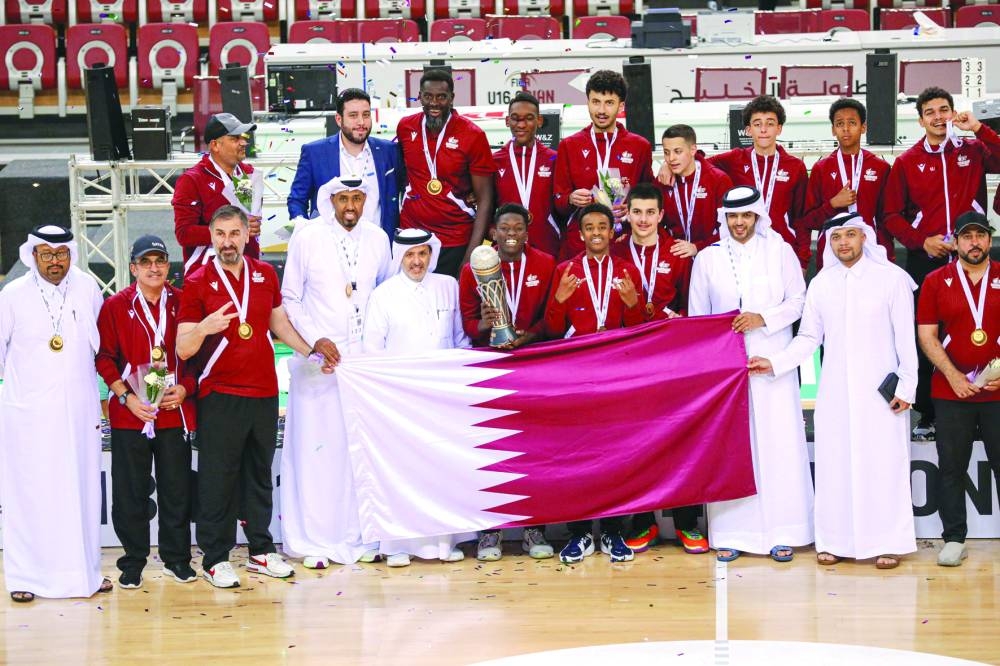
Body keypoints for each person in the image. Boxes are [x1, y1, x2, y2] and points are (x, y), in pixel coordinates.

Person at [176, 205, 339, 588]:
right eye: (220, 235)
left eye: (234, 233)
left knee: (259, 476)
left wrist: (311, 353)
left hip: (264, 391)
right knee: (217, 479)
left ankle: (261, 551)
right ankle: (216, 558)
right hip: (220, 394)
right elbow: (183, 348)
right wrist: (204, 327)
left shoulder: (264, 274)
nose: (227, 242)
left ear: (246, 236)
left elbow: (278, 322)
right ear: (211, 237)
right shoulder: (197, 281)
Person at [749, 212, 918, 569]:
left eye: (850, 235)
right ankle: (836, 541)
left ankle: (888, 542)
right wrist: (776, 362)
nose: (843, 243)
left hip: (882, 395)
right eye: (837, 236)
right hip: (835, 393)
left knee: (884, 466)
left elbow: (906, 339)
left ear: (864, 237)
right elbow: (809, 337)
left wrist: (908, 387)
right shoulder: (822, 283)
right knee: (835, 466)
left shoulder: (892, 279)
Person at [688, 186, 814, 562]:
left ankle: (785, 532)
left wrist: (763, 318)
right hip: (727, 370)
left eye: (746, 215)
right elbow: (698, 318)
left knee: (779, 445)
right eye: (733, 216)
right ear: (724, 218)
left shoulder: (780, 250)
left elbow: (799, 301)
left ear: (758, 216)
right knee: (733, 448)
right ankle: (732, 533)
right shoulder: (707, 258)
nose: (739, 223)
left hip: (774, 361)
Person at [280, 176, 393, 569]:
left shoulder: (378, 238)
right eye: (343, 198)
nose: (350, 206)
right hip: (318, 366)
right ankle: (314, 540)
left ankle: (360, 535)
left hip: (362, 367)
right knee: (318, 454)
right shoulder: (308, 237)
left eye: (357, 198)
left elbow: (384, 296)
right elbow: (290, 297)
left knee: (357, 454)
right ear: (330, 200)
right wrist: (315, 341)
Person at [882, 87, 1000, 442]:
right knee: (926, 338)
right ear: (920, 120)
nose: (938, 117)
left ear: (953, 113)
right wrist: (922, 241)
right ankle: (928, 415)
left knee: (980, 330)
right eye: (930, 112)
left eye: (944, 109)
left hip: (974, 255)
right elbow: (890, 215)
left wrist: (977, 128)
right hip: (927, 260)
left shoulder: (973, 150)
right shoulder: (907, 161)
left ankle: (982, 405)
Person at [0, 225, 110, 602]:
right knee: (30, 494)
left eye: (61, 254)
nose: (54, 262)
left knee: (81, 491)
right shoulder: (12, 295)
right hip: (28, 417)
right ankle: (25, 577)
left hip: (79, 412)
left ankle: (86, 573)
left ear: (70, 254)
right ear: (33, 255)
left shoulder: (87, 287)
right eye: (46, 254)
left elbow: (102, 347)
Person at [363, 228, 473, 566]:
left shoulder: (448, 286)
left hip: (442, 398)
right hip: (400, 401)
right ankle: (397, 545)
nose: (416, 261)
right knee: (401, 472)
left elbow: (460, 339)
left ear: (431, 255)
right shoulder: (383, 295)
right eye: (410, 255)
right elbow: (372, 351)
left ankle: (443, 544)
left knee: (440, 470)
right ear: (399, 257)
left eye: (422, 254)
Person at [608, 183, 707, 556]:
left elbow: (692, 305)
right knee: (637, 441)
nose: (643, 219)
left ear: (661, 215)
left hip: (671, 357)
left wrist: (673, 318)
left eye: (651, 212)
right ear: (627, 213)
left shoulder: (678, 253)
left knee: (679, 437)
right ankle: (642, 521)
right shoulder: (616, 252)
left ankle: (686, 522)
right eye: (637, 212)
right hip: (631, 360)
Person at [544, 203, 645, 563]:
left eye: (603, 226)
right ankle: (581, 532)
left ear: (612, 231)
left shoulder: (627, 270)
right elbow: (552, 330)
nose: (597, 233)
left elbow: (638, 330)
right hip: (577, 374)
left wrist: (633, 304)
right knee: (578, 454)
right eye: (590, 227)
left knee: (617, 454)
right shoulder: (565, 270)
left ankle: (614, 531)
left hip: (617, 374)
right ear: (581, 233)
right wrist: (559, 301)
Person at [96, 235, 198, 589]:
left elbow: (197, 357)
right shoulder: (115, 306)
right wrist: (126, 397)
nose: (154, 268)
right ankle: (133, 561)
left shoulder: (184, 303)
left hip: (172, 411)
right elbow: (104, 358)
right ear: (133, 268)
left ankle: (177, 559)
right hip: (132, 415)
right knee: (129, 493)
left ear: (168, 266)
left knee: (176, 491)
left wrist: (185, 388)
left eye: (160, 261)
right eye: (146, 262)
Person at [458, 202, 556, 561]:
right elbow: (468, 325)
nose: (511, 235)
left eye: (517, 229)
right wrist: (485, 325)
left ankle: (534, 529)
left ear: (527, 231)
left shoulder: (545, 264)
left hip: (533, 366)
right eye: (505, 229)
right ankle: (490, 532)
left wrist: (529, 335)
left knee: (533, 452)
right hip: (490, 368)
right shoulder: (472, 269)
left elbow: (551, 319)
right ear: (493, 232)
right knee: (491, 452)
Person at [915, 211, 1000, 567]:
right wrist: (952, 375)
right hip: (951, 391)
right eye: (967, 236)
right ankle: (954, 538)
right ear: (956, 242)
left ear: (989, 239)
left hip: (997, 390)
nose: (974, 243)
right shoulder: (936, 280)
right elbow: (926, 334)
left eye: (980, 236)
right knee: (951, 466)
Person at [397, 69, 496, 277]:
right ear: (420, 97)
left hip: (455, 239)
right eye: (428, 96)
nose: (434, 103)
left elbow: (485, 199)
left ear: (452, 98)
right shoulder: (406, 127)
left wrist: (470, 255)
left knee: (450, 297)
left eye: (441, 97)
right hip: (413, 235)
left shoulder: (473, 135)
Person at [552, 70, 653, 261]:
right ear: (588, 102)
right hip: (580, 245)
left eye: (609, 103)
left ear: (621, 105)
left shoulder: (639, 146)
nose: (601, 110)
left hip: (623, 242)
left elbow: (649, 196)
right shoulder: (569, 145)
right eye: (596, 102)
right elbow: (559, 202)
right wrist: (570, 199)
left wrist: (632, 207)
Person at [705, 96, 810, 269]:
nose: (763, 129)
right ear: (748, 130)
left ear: (779, 128)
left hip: (782, 249)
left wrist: (803, 260)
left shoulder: (795, 166)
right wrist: (667, 167)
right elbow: (699, 164)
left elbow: (801, 219)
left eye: (770, 123)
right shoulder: (735, 159)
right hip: (744, 249)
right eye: (757, 124)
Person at [287, 88, 402, 238]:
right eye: (353, 115)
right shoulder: (314, 153)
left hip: (378, 245)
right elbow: (297, 200)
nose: (361, 122)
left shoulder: (389, 151)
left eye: (366, 115)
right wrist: (304, 232)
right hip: (329, 245)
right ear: (338, 119)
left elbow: (405, 194)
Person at [799, 98, 893, 269]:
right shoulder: (821, 168)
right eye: (840, 124)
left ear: (863, 127)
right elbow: (808, 221)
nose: (846, 129)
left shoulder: (880, 168)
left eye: (852, 123)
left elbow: (886, 219)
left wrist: (889, 257)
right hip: (832, 255)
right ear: (833, 129)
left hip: (871, 254)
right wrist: (833, 204)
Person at [172, 113, 263, 278]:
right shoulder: (192, 180)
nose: (243, 142)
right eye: (235, 139)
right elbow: (184, 234)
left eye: (243, 137)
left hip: (246, 271)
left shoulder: (246, 174)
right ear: (215, 145)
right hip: (206, 275)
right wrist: (231, 231)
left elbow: (248, 217)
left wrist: (252, 226)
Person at [492, 91, 561, 257]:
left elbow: (563, 205)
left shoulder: (554, 159)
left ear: (539, 120)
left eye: (529, 118)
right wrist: (493, 231)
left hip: (547, 247)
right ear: (507, 121)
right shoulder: (495, 161)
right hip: (507, 249)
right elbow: (487, 206)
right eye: (515, 118)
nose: (521, 125)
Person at [657, 124, 733, 258]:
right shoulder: (662, 181)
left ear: (693, 150)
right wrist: (671, 245)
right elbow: (655, 222)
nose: (671, 158)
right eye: (666, 152)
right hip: (676, 257)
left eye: (677, 151)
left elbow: (729, 227)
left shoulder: (718, 180)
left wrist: (698, 247)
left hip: (712, 256)